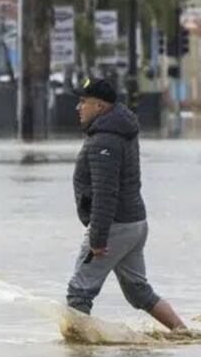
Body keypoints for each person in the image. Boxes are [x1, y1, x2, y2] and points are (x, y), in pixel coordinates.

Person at [66, 77, 186, 331]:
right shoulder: (118, 130)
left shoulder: (104, 140)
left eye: (83, 102)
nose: (78, 108)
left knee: (79, 291)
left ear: (99, 106)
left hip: (114, 226)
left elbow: (105, 193)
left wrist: (98, 239)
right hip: (134, 223)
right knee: (138, 291)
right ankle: (182, 332)